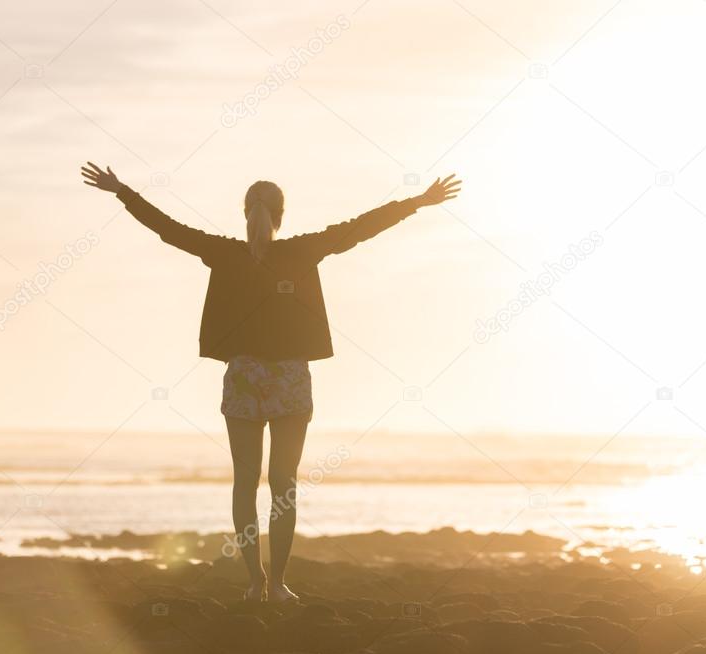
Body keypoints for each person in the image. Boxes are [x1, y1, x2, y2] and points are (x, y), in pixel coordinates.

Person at [81, 161, 462, 602]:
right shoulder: (302, 250)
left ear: (246, 212)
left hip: (244, 376)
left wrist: (122, 191)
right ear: (280, 215)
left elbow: (168, 228)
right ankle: (279, 584)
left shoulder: (223, 252)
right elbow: (361, 227)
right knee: (284, 483)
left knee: (245, 482)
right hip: (290, 379)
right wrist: (418, 201)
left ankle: (253, 582)